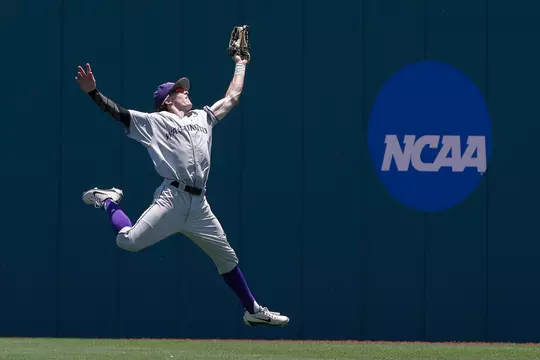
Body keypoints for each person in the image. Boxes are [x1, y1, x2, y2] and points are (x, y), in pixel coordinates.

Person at [74, 52, 289, 327]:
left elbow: (232, 97)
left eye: (185, 89)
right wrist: (93, 92)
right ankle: (108, 200)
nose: (186, 92)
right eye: (179, 90)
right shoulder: (155, 121)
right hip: (172, 199)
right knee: (127, 242)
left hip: (200, 205)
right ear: (167, 100)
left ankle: (253, 310)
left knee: (227, 258)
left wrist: (241, 63)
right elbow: (118, 112)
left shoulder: (202, 117)